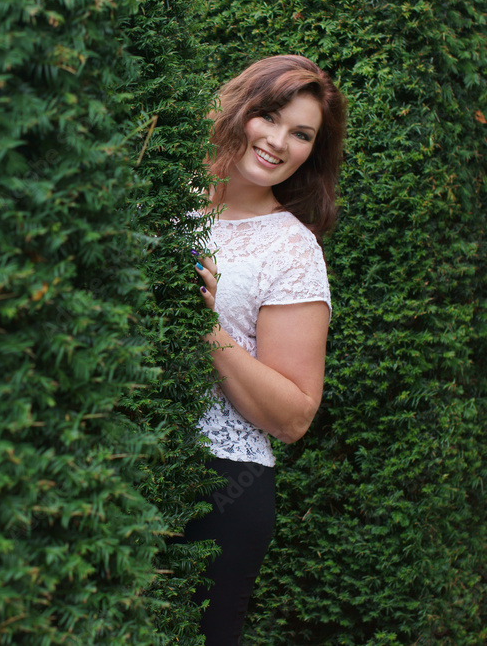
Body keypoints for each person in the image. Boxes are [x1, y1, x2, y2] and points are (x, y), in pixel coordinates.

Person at [183, 55, 347, 644]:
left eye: (301, 134)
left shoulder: (291, 250)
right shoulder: (157, 195)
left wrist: (207, 329)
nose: (279, 142)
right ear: (238, 109)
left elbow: (295, 414)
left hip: (219, 486)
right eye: (269, 117)